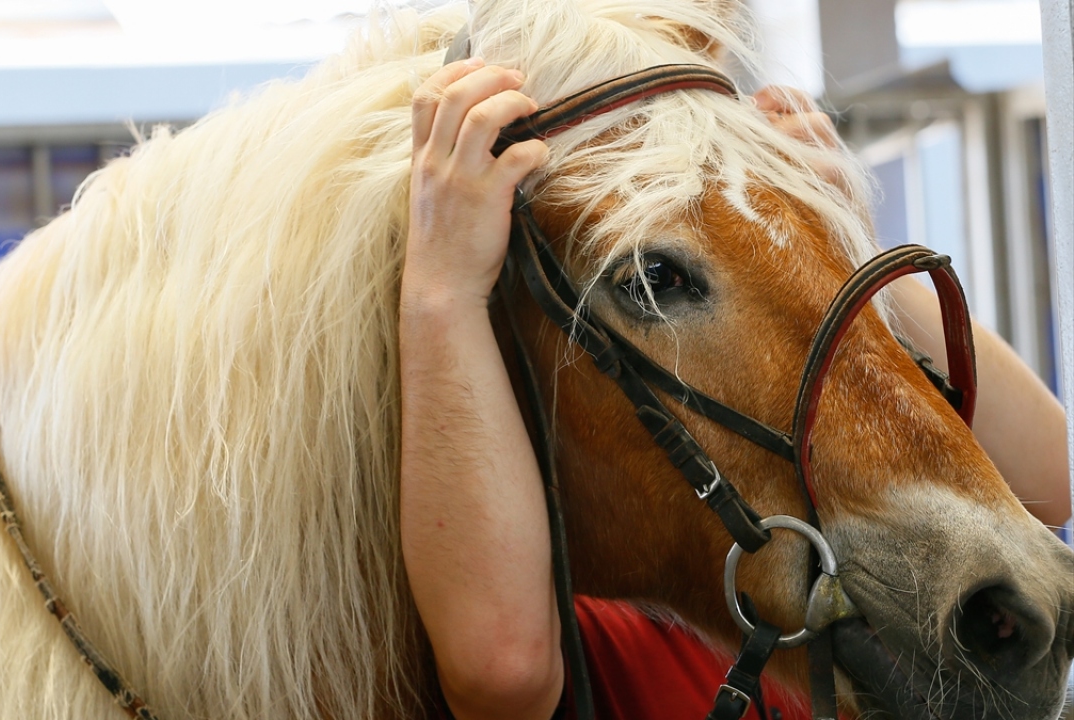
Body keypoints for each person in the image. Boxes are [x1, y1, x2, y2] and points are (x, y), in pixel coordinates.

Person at [399, 57, 1072, 720]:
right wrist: (444, 293)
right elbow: (504, 676)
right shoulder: (581, 603)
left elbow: (1047, 480)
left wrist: (833, 233)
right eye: (651, 283)